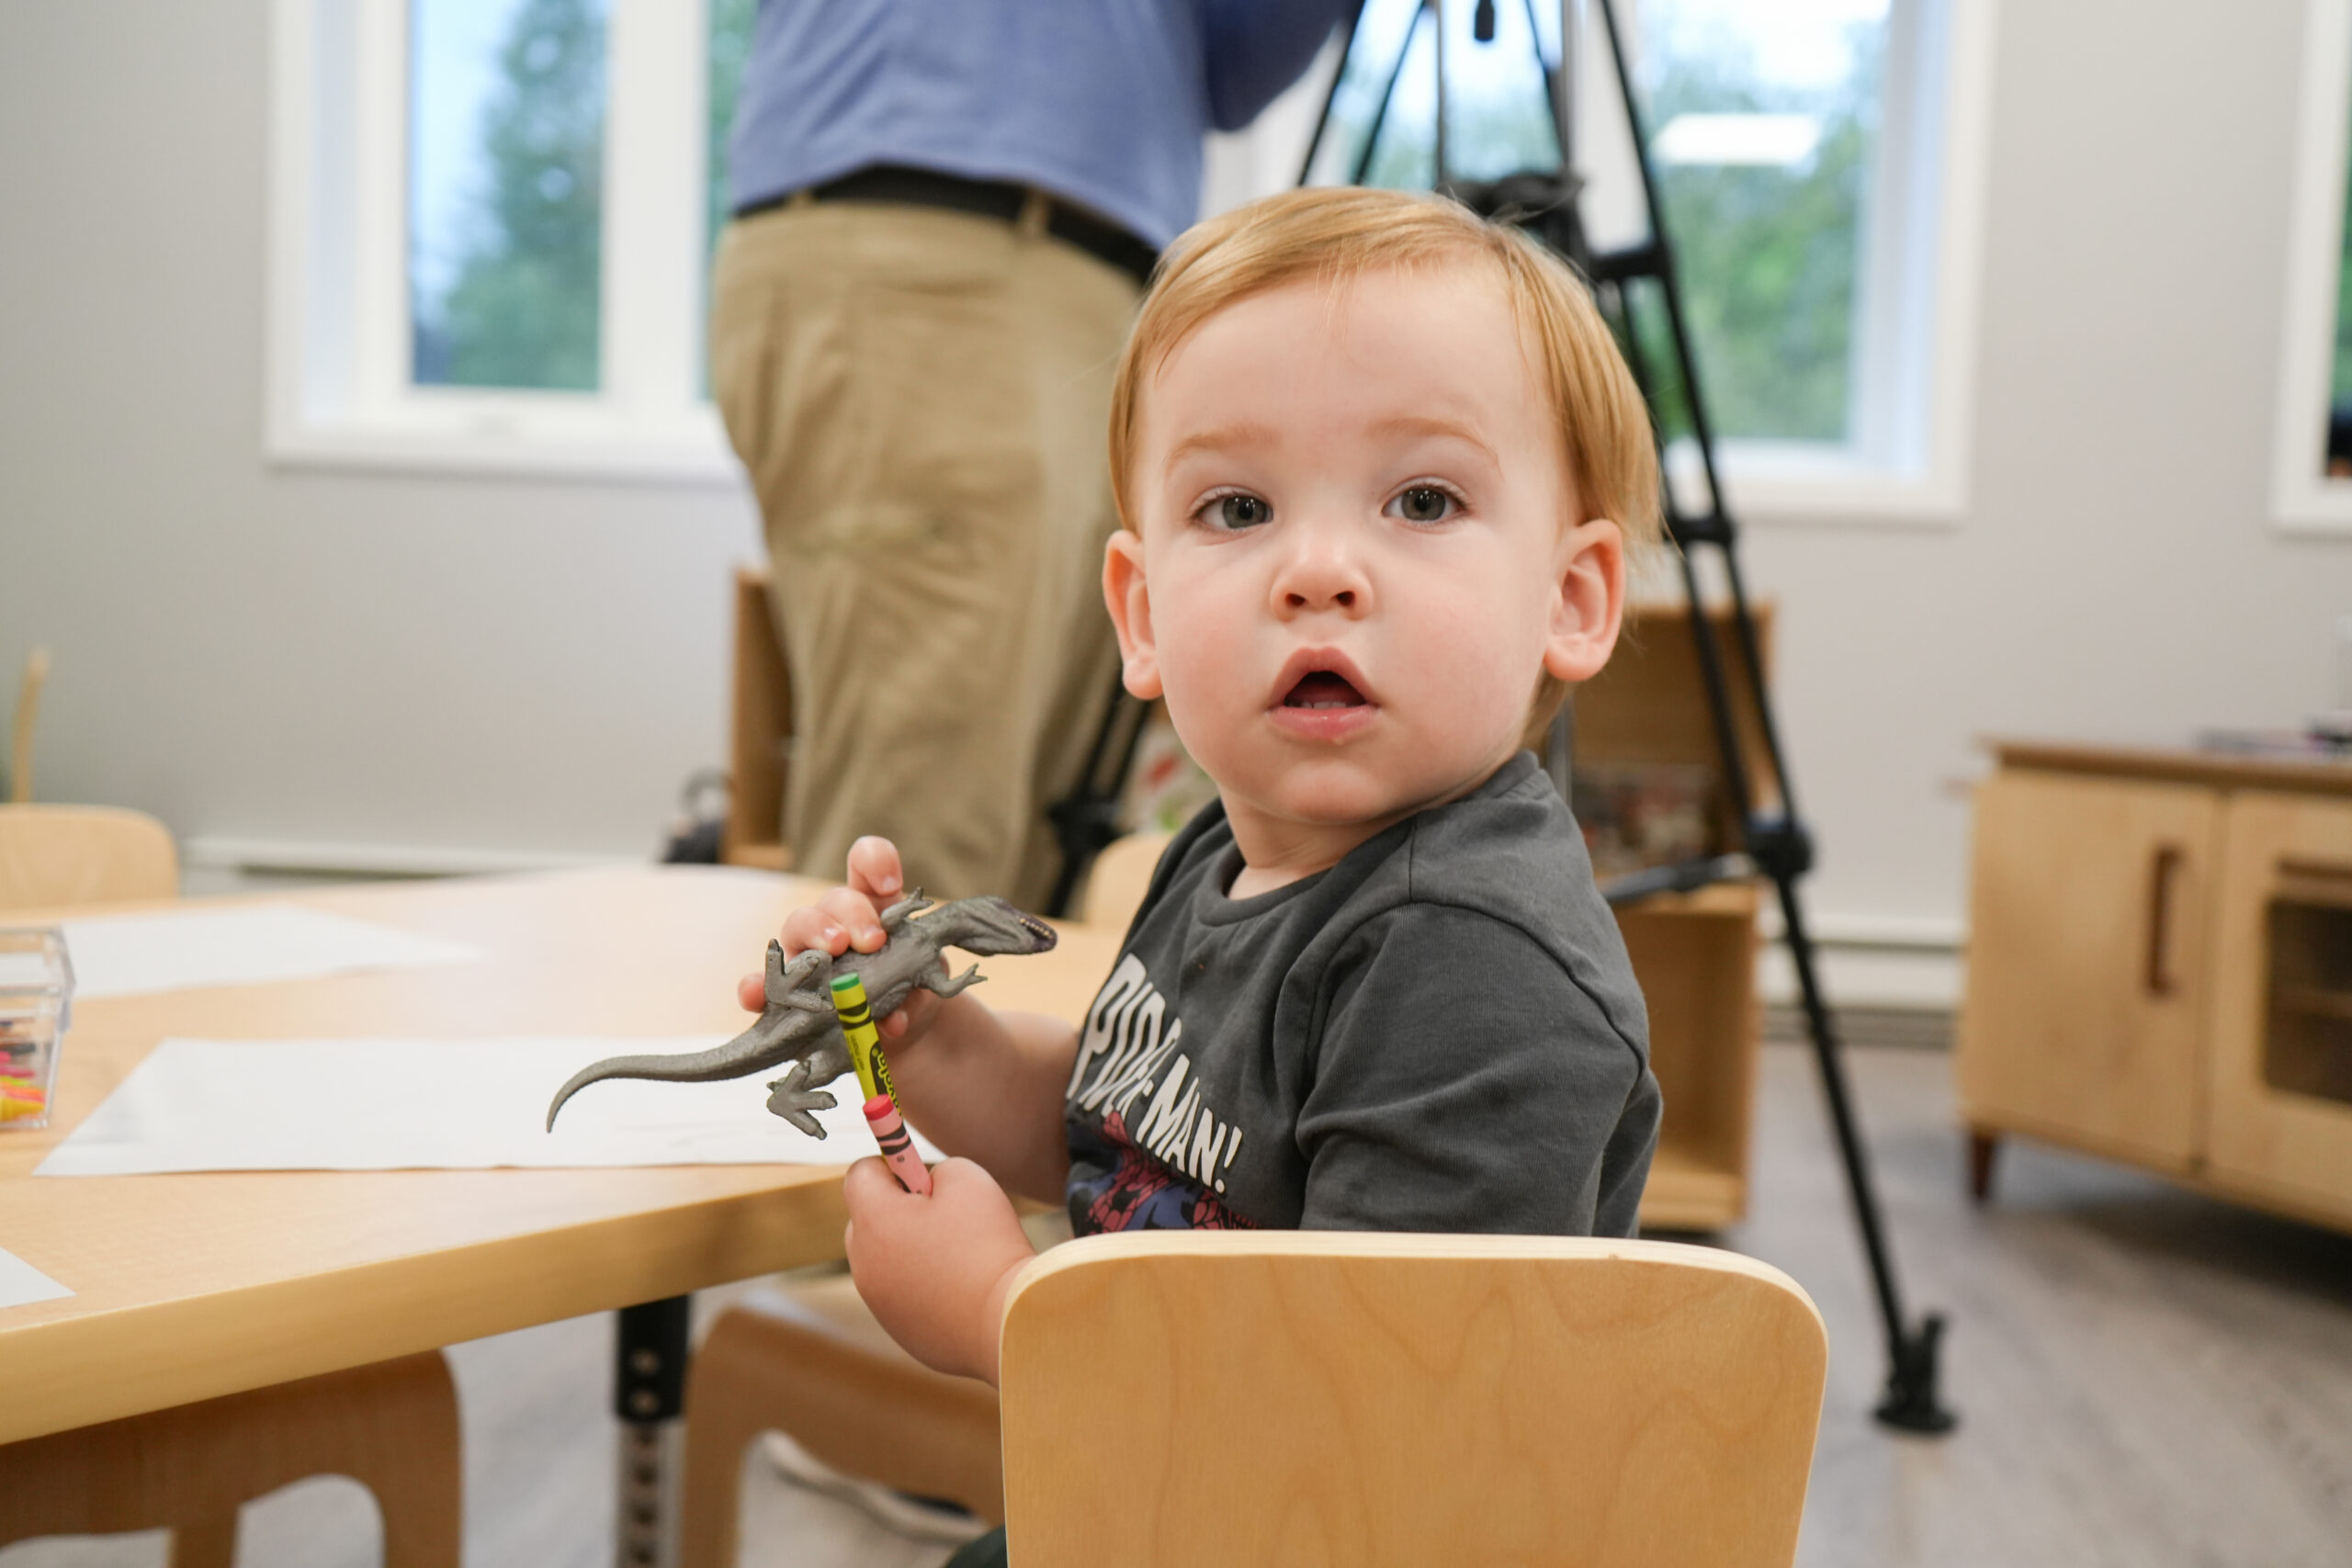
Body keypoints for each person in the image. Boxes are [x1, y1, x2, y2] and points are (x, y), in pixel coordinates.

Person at [742, 186, 1666, 1559]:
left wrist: (1005, 1311)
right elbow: (1137, 1132)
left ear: (1571, 599)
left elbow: (1356, 1415)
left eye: (1423, 497)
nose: (1320, 569)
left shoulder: (1474, 965)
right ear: (1142, 612)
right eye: (1238, 506)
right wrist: (935, 1043)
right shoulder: (1230, 846)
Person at [708, 0, 1354, 912]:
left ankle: (951, 1057)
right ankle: (868, 1061)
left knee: (1030, 850)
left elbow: (1235, 71)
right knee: (920, 838)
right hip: (938, 235)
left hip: (1096, 281)